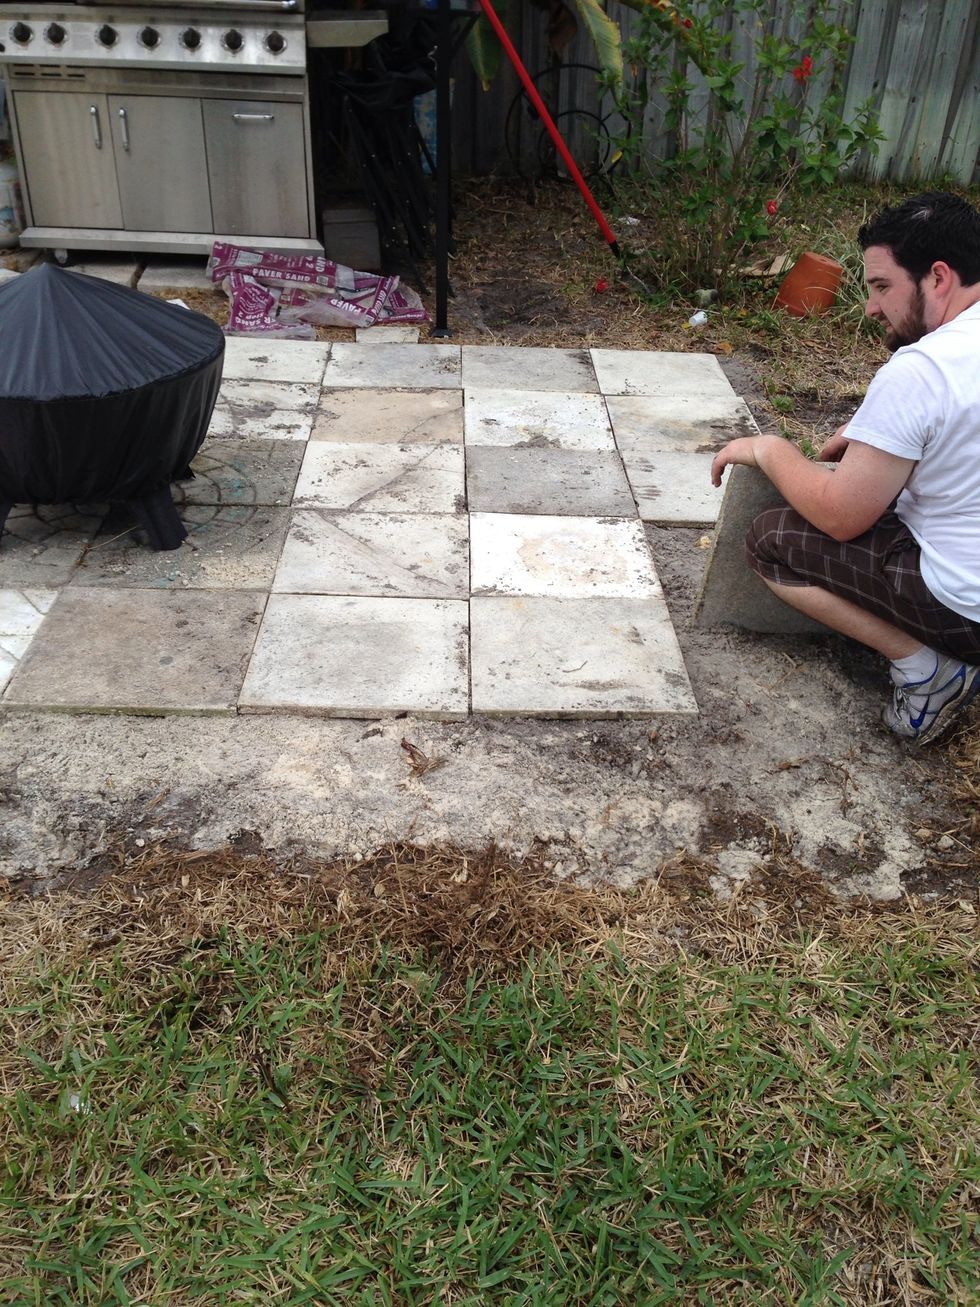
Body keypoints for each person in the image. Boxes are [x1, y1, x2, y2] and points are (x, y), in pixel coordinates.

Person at [710, 191, 980, 746]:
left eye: (882, 286)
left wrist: (770, 449)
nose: (870, 307)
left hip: (968, 614)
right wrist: (875, 434)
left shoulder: (923, 370)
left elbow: (841, 518)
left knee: (771, 539)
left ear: (938, 277)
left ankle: (929, 670)